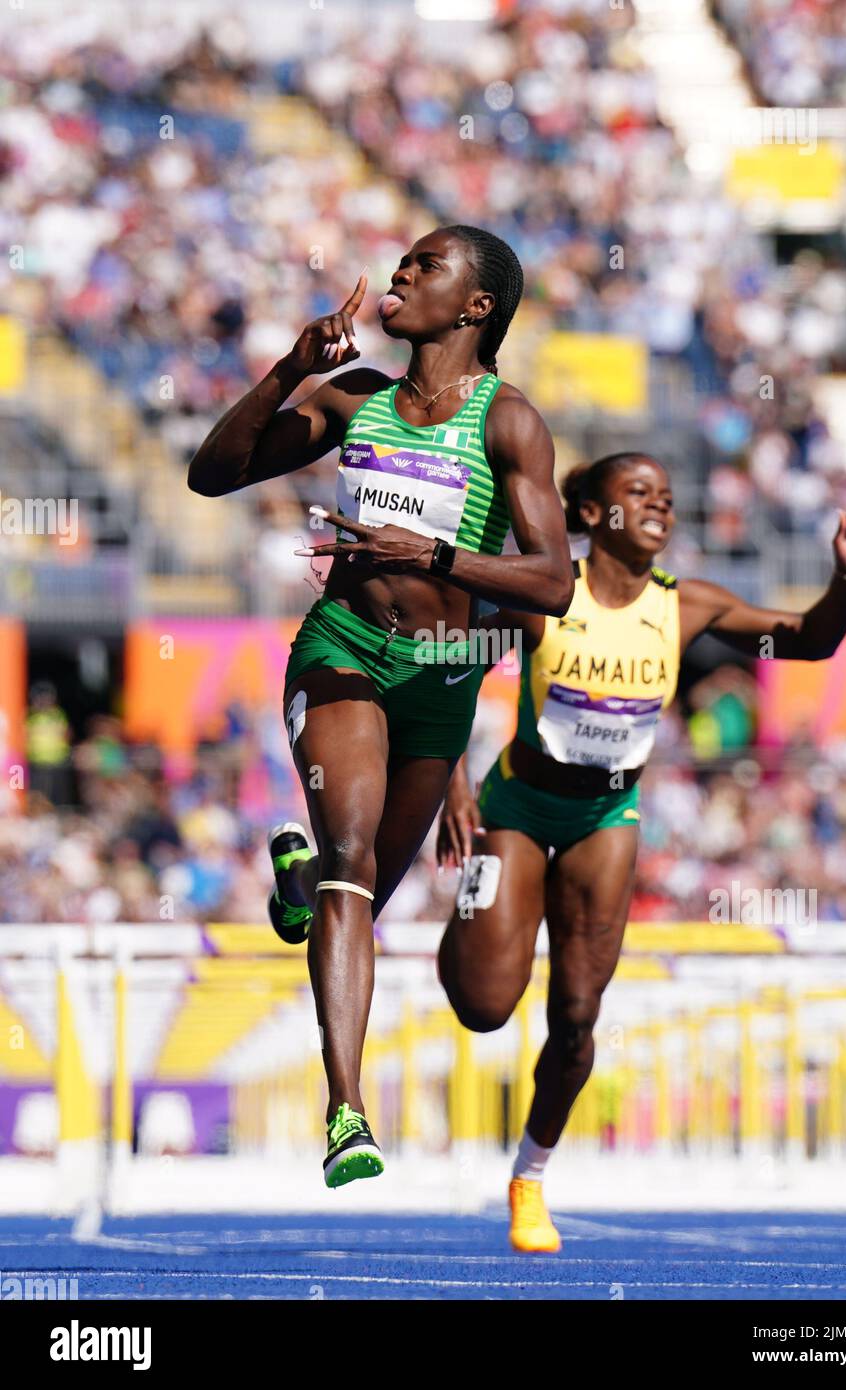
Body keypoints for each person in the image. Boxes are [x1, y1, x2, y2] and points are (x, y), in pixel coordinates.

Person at [188, 225, 574, 1187]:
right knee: (354, 869)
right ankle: (346, 1111)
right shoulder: (355, 398)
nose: (400, 275)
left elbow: (554, 583)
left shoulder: (508, 423)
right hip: (343, 649)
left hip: (442, 678)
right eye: (400, 263)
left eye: (425, 267)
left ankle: (297, 882)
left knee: (349, 893)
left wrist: (432, 557)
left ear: (476, 307)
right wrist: (287, 370)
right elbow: (213, 472)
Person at [435, 451, 846, 1250]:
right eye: (639, 494)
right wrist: (449, 781)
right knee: (483, 1005)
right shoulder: (549, 593)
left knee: (575, 1016)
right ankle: (469, 928)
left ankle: (529, 1179)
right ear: (596, 514)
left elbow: (804, 642)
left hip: (607, 814)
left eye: (669, 498)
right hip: (517, 807)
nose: (661, 508)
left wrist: (842, 581)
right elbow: (451, 662)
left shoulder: (687, 608)